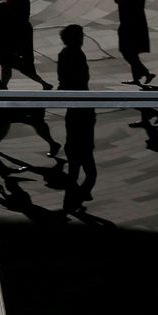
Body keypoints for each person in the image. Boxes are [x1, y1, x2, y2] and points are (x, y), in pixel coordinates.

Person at [57, 24, 96, 213]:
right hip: (83, 112)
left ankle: (71, 202)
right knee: (90, 173)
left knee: (74, 169)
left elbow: (63, 82)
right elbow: (78, 80)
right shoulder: (76, 56)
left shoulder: (64, 55)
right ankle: (74, 201)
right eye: (81, 35)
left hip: (74, 113)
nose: (83, 38)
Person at [0, 0, 53, 90]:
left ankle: (4, 86)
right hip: (22, 32)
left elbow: (11, 15)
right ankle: (3, 86)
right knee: (10, 63)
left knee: (13, 63)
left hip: (15, 34)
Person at [113, 0, 155, 85]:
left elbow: (130, 6)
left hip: (130, 24)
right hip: (134, 23)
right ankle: (137, 78)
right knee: (131, 51)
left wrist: (119, 0)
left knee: (126, 50)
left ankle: (145, 73)